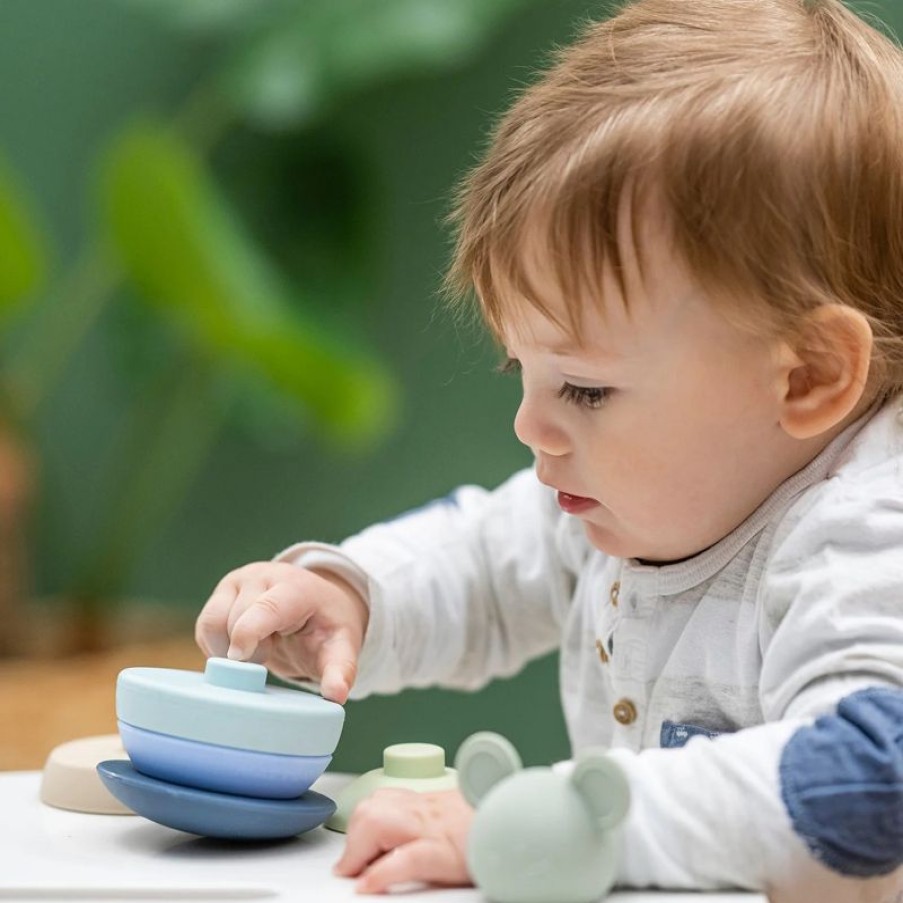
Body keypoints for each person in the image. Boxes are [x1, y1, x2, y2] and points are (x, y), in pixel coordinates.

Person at [195, 0, 903, 895]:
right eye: (516, 367)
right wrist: (347, 596)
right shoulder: (639, 494)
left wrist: (548, 826)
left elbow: (873, 773)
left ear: (804, 376)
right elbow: (484, 561)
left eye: (585, 387)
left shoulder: (865, 540)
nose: (530, 425)